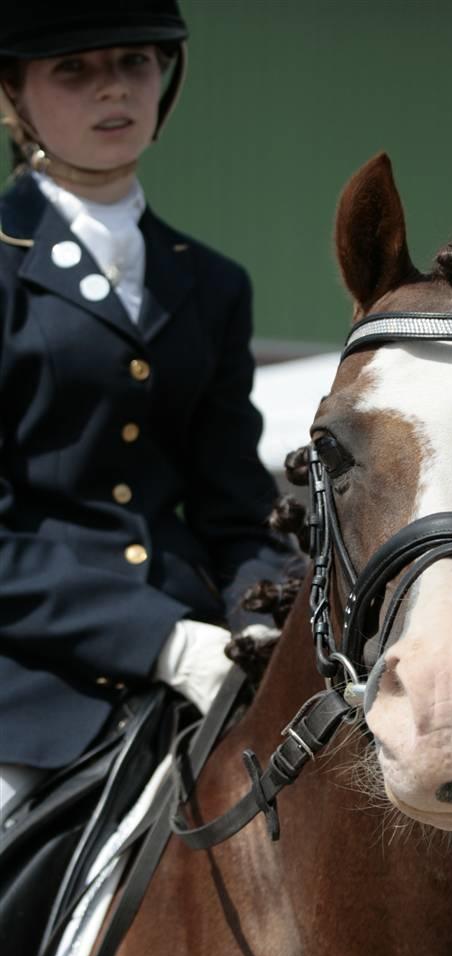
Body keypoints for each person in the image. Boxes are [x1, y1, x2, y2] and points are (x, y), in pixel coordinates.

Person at [0, 1, 296, 822]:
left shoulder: (210, 281)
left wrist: (263, 611)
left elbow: (235, 506)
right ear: (10, 94)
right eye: (74, 70)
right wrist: (159, 641)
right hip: (26, 687)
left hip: (207, 661)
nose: (114, 92)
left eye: (134, 62)